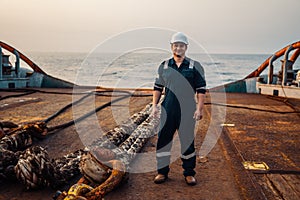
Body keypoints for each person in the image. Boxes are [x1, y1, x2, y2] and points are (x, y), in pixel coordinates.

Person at [152, 32, 206, 186]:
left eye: (181, 45)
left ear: (186, 47)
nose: (178, 48)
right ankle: (162, 172)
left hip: (187, 111)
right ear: (171, 47)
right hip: (168, 109)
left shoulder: (194, 66)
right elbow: (157, 87)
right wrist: (155, 106)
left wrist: (199, 109)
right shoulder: (164, 65)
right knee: (163, 141)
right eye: (175, 45)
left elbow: (201, 90)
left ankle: (189, 173)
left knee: (187, 142)